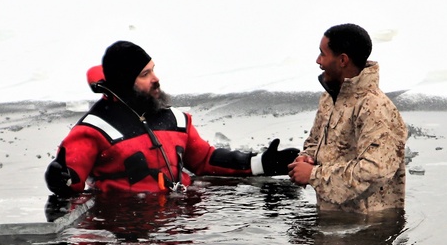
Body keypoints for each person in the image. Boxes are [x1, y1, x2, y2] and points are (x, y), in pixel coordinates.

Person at [46, 41, 299, 196]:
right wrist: (58, 179)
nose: (156, 78)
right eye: (145, 74)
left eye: (153, 69)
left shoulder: (175, 120)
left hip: (175, 229)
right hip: (125, 233)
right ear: (124, 84)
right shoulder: (93, 131)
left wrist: (262, 163)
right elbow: (71, 183)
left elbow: (205, 159)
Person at [288, 24, 408, 213]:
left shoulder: (375, 108)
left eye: (323, 54)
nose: (318, 60)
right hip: (334, 222)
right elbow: (314, 141)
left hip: (370, 228)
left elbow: (374, 172)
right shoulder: (329, 98)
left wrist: (314, 175)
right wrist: (306, 158)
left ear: (342, 60)